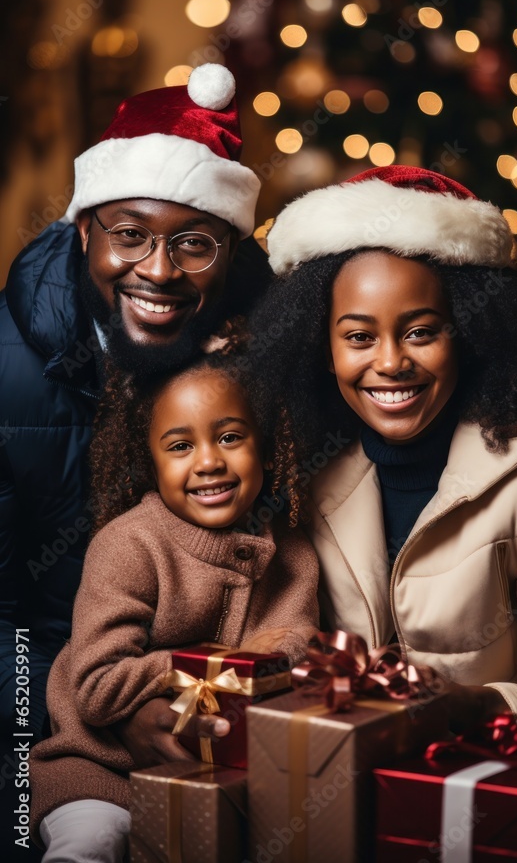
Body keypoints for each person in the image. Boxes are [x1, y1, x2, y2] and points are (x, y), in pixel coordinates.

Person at [0, 63, 270, 761]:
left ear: (231, 249)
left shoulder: (262, 356)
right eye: (129, 235)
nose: (158, 271)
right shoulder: (7, 375)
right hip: (45, 735)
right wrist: (100, 721)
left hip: (229, 718)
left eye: (195, 244)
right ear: (84, 227)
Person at [251, 164, 517, 735]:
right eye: (359, 337)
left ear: (467, 335)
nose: (391, 362)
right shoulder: (300, 480)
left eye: (421, 331)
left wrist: (477, 706)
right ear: (322, 349)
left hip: (483, 790)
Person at [30, 342, 319, 861]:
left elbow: (294, 651)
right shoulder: (128, 545)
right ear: (151, 461)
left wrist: (285, 656)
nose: (209, 462)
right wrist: (211, 661)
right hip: (102, 770)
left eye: (230, 437)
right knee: (94, 843)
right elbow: (97, 688)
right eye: (180, 446)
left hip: (220, 777)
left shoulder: (293, 553)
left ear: (269, 448)